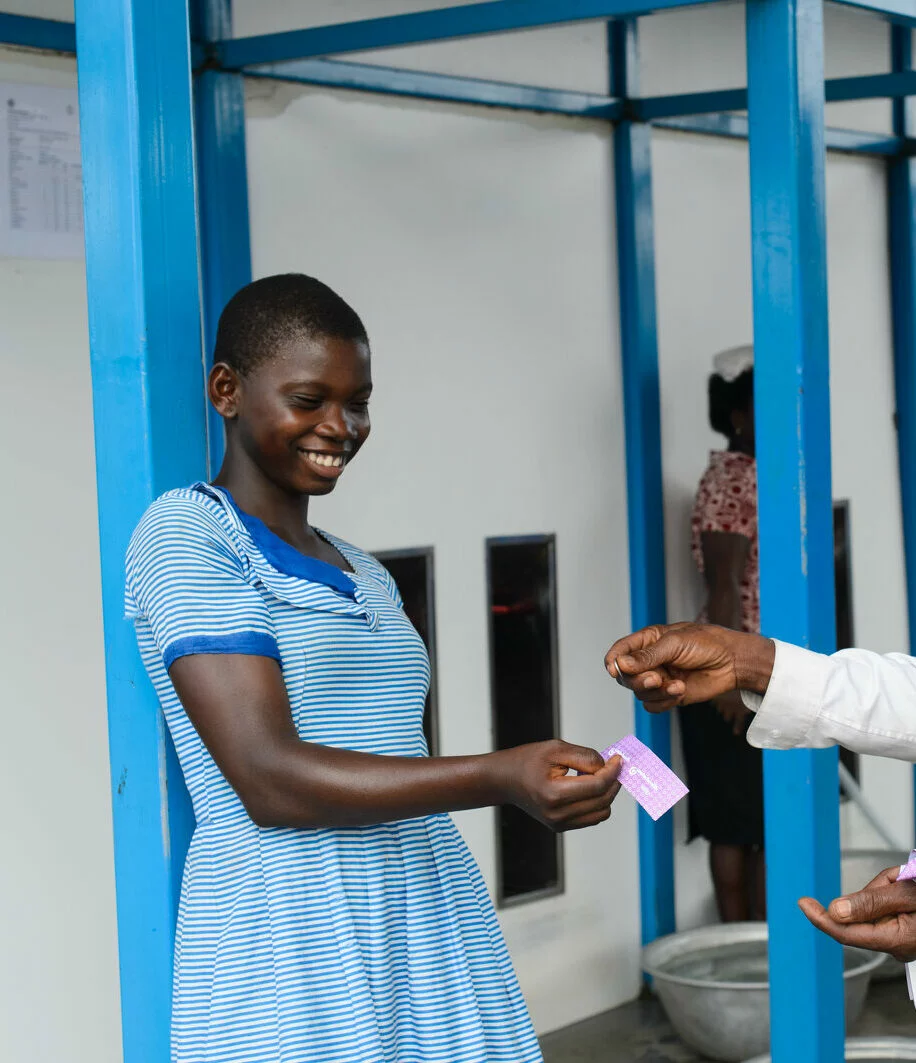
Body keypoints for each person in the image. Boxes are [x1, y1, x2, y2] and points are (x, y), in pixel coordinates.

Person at [125, 274, 622, 1063]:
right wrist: (501, 775)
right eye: (309, 398)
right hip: (288, 931)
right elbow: (269, 777)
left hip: (419, 907)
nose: (341, 425)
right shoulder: (188, 535)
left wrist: (533, 773)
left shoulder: (364, 572)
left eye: (357, 401)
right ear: (227, 390)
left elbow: (393, 756)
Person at [604, 621, 916, 961]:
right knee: (740, 832)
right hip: (737, 696)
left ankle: (754, 948)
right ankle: (749, 948)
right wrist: (746, 665)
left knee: (750, 832)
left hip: (741, 695)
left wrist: (747, 666)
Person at [681, 345, 765, 922]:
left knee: (760, 826)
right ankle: (740, 951)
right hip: (733, 679)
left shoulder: (757, 475)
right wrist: (733, 683)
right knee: (734, 827)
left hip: (762, 671)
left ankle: (765, 952)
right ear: (738, 415)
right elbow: (724, 586)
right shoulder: (730, 480)